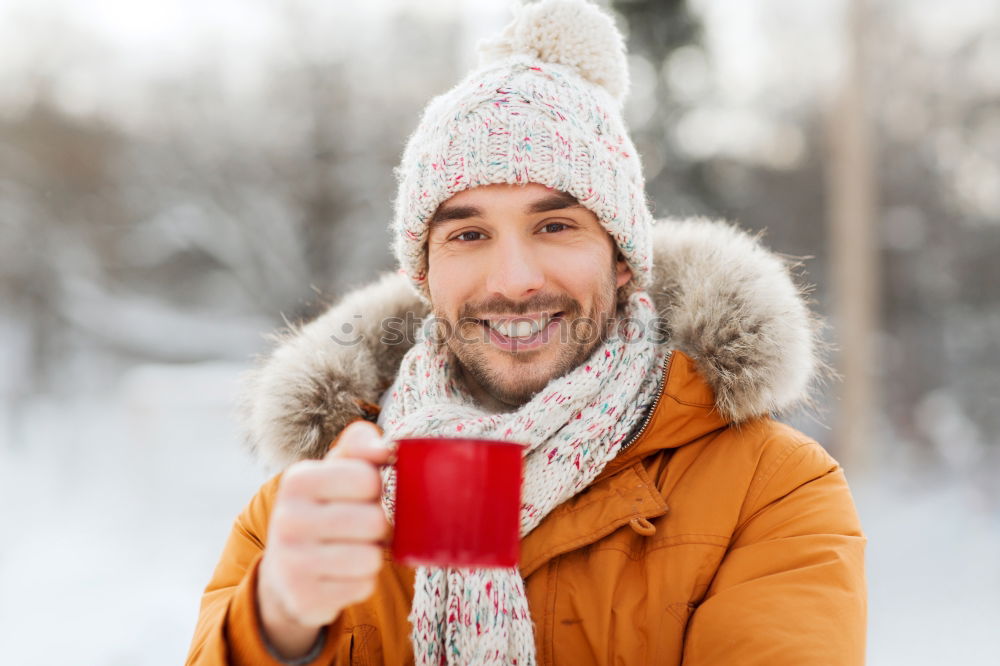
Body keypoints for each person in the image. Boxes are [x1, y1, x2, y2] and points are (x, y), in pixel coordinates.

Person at [186, 1, 867, 664]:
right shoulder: (308, 511)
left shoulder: (771, 490)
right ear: (423, 273)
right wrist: (276, 630)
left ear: (625, 257)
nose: (513, 279)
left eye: (555, 225)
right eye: (469, 234)